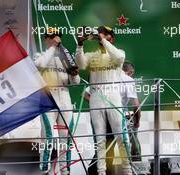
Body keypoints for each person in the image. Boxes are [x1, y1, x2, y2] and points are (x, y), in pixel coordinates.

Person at [75, 26, 132, 175]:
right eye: (100, 33)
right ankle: (101, 172)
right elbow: (80, 64)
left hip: (113, 94)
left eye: (106, 34)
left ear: (111, 38)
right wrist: (80, 44)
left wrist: (102, 40)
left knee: (120, 136)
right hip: (96, 97)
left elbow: (119, 59)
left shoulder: (118, 53)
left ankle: (128, 171)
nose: (101, 35)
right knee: (100, 139)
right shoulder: (92, 55)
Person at [34, 28, 80, 175]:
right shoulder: (40, 55)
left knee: (65, 137)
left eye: (58, 37)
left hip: (65, 98)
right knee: (48, 136)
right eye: (53, 37)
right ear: (46, 39)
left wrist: (74, 74)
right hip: (48, 98)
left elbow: (75, 83)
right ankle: (44, 170)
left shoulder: (65, 57)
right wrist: (53, 47)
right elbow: (40, 65)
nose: (57, 39)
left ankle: (64, 170)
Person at [85, 61, 142, 175]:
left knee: (103, 146)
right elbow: (136, 105)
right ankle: (126, 171)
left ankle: (95, 171)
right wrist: (137, 122)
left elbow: (85, 94)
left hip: (101, 114)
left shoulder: (103, 77)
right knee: (122, 145)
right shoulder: (128, 80)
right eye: (132, 73)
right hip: (116, 115)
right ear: (129, 72)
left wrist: (97, 104)